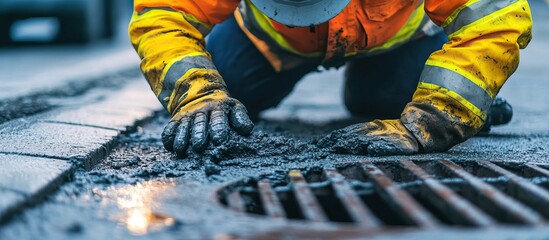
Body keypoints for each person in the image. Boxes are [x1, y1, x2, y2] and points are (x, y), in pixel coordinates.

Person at [129, 0, 532, 156]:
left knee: (386, 98)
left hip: (391, 44)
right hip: (273, 44)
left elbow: (496, 19)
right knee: (230, 91)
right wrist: (195, 93)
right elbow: (163, 15)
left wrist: (440, 115)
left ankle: (459, 103)